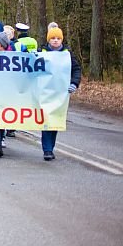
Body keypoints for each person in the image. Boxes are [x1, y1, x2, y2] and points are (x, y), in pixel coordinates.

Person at [40, 27, 81, 161]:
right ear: (48, 40)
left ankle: (50, 147)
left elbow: (76, 69)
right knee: (46, 119)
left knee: (55, 120)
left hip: (61, 93)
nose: (55, 41)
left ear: (62, 39)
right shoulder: (41, 52)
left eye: (58, 38)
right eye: (53, 38)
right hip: (45, 92)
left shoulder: (67, 53)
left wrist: (74, 83)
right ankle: (47, 150)